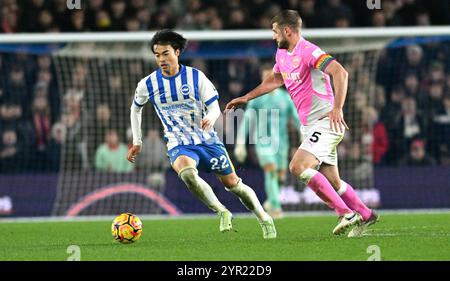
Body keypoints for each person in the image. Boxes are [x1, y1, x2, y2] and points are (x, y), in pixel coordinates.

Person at [225, 10, 379, 237]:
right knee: (333, 182)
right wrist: (247, 97)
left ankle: (345, 213)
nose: (274, 37)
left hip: (326, 121)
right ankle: (365, 213)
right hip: (310, 127)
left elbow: (341, 73)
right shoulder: (282, 54)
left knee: (298, 166)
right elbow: (275, 79)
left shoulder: (310, 51)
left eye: (276, 32)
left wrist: (337, 107)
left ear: (288, 31)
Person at [127, 30, 276, 239]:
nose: (161, 59)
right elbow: (136, 108)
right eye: (157, 54)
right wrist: (137, 141)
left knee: (233, 184)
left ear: (177, 52)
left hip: (207, 140)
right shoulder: (147, 84)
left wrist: (211, 118)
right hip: (178, 143)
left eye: (165, 53)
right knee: (187, 173)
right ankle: (222, 211)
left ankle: (264, 217)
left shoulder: (196, 77)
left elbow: (215, 107)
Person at [234, 63, 301, 219]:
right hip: (263, 141)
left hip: (282, 143)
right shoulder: (257, 98)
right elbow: (247, 121)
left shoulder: (285, 98)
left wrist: (303, 133)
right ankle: (276, 208)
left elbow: (296, 118)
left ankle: (271, 201)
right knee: (270, 171)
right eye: (264, 77)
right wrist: (240, 144)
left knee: (280, 177)